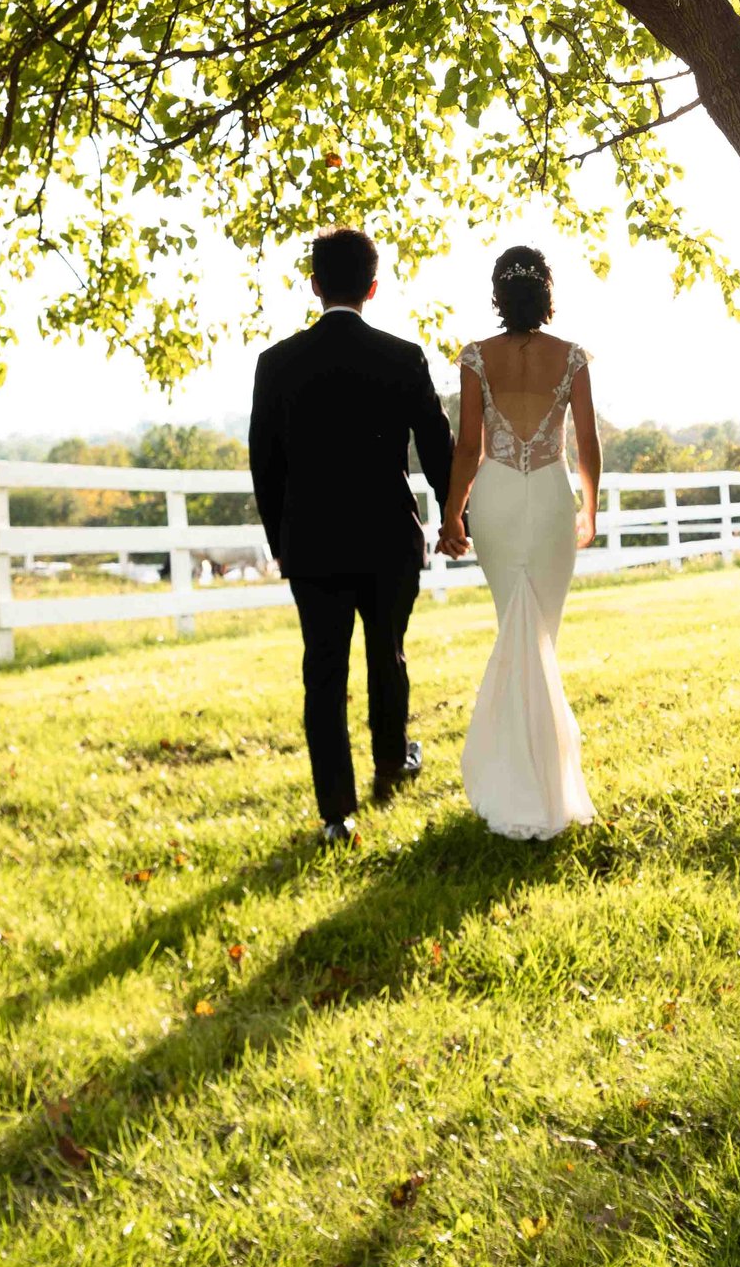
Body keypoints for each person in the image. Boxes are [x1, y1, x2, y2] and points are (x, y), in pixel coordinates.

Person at [249, 228, 455, 845]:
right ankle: (391, 769)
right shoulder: (404, 356)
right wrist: (453, 516)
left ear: (314, 286)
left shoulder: (276, 363)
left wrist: (278, 536)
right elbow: (436, 444)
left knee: (323, 670)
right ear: (372, 286)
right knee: (387, 656)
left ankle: (337, 811)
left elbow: (264, 460)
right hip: (389, 537)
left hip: (311, 542)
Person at [435, 246, 599, 840]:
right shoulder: (573, 358)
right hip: (552, 500)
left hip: (498, 503)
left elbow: (467, 449)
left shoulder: (478, 358)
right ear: (545, 291)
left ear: (500, 293)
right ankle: (541, 780)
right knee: (538, 636)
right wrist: (591, 507)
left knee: (516, 627)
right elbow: (587, 443)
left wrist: (453, 514)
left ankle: (520, 778)